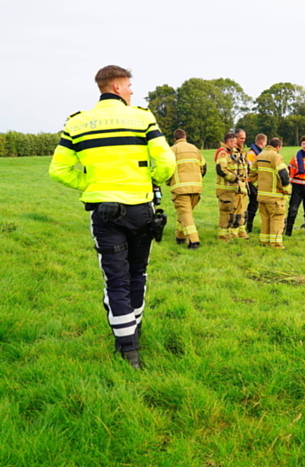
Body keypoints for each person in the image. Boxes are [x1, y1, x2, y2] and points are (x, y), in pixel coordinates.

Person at [48, 65, 175, 369]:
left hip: (105, 213)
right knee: (137, 274)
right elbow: (167, 161)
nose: (132, 91)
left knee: (115, 281)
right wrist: (151, 180)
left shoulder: (77, 123)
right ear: (117, 86)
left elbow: (58, 170)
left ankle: (128, 351)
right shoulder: (143, 118)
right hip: (141, 210)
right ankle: (135, 333)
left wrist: (92, 186)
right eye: (130, 85)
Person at [249, 138, 291, 249]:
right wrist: (287, 189)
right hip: (275, 197)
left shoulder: (260, 155)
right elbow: (283, 174)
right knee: (277, 219)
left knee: (265, 219)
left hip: (262, 196)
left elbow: (252, 173)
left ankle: (264, 242)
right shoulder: (276, 156)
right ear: (278, 147)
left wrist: (259, 186)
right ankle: (276, 245)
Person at [169, 129, 206, 249]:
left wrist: (169, 182)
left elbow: (166, 168)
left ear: (174, 139)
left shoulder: (172, 150)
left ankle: (193, 241)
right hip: (196, 188)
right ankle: (179, 237)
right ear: (186, 137)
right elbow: (203, 166)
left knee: (185, 214)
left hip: (181, 189)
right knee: (185, 214)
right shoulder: (195, 148)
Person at [214, 131, 248, 241]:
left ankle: (233, 234)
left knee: (236, 212)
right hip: (225, 190)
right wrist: (234, 178)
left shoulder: (232, 153)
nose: (235, 145)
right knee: (226, 214)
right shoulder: (223, 153)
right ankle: (223, 237)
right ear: (228, 142)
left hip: (234, 189)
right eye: (233, 142)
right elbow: (221, 169)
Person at [245, 133, 268, 233]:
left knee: (255, 205)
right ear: (262, 142)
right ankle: (248, 226)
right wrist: (252, 185)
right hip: (251, 183)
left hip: (256, 183)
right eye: (265, 143)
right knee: (253, 205)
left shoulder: (257, 153)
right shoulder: (252, 154)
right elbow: (250, 170)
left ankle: (248, 226)